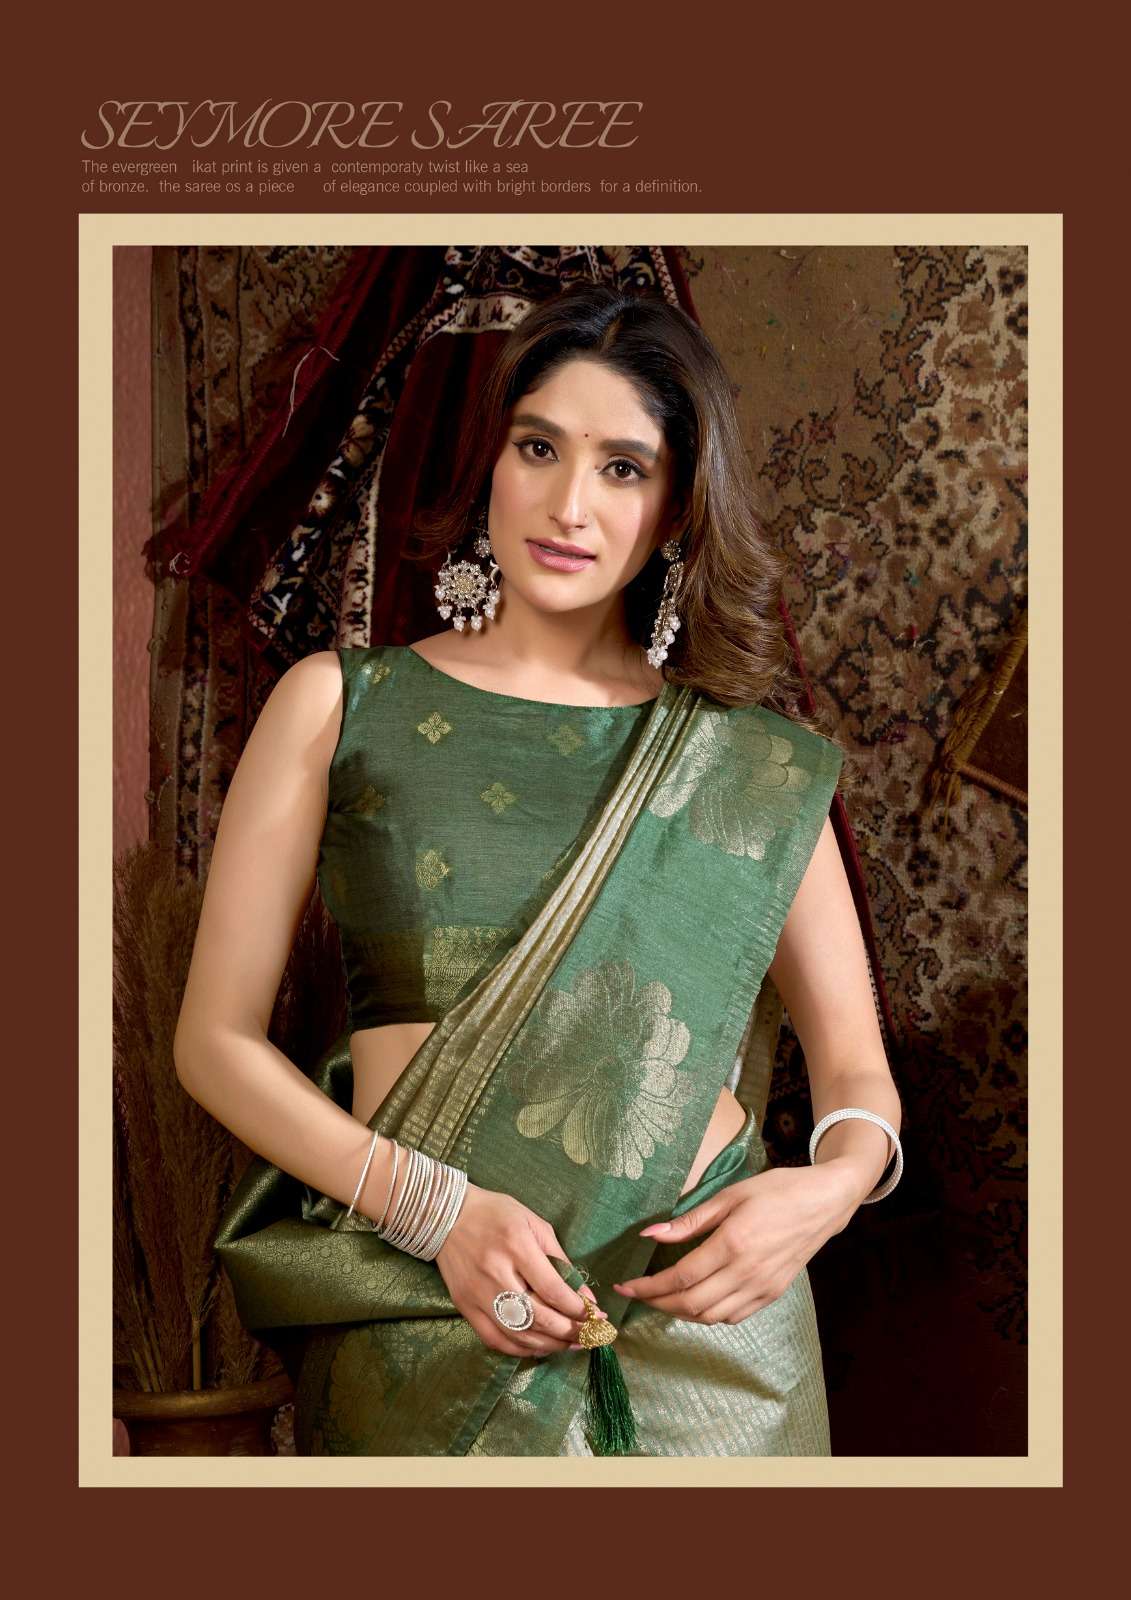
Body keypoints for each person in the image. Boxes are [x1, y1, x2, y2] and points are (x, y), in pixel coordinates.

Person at [175, 282, 903, 1458]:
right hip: (428, 1297)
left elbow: (856, 1069)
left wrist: (825, 1194)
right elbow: (213, 1041)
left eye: (623, 467)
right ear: (491, 462)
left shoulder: (745, 764)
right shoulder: (340, 705)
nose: (570, 504)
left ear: (676, 506)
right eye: (539, 448)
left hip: (709, 1324)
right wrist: (440, 1213)